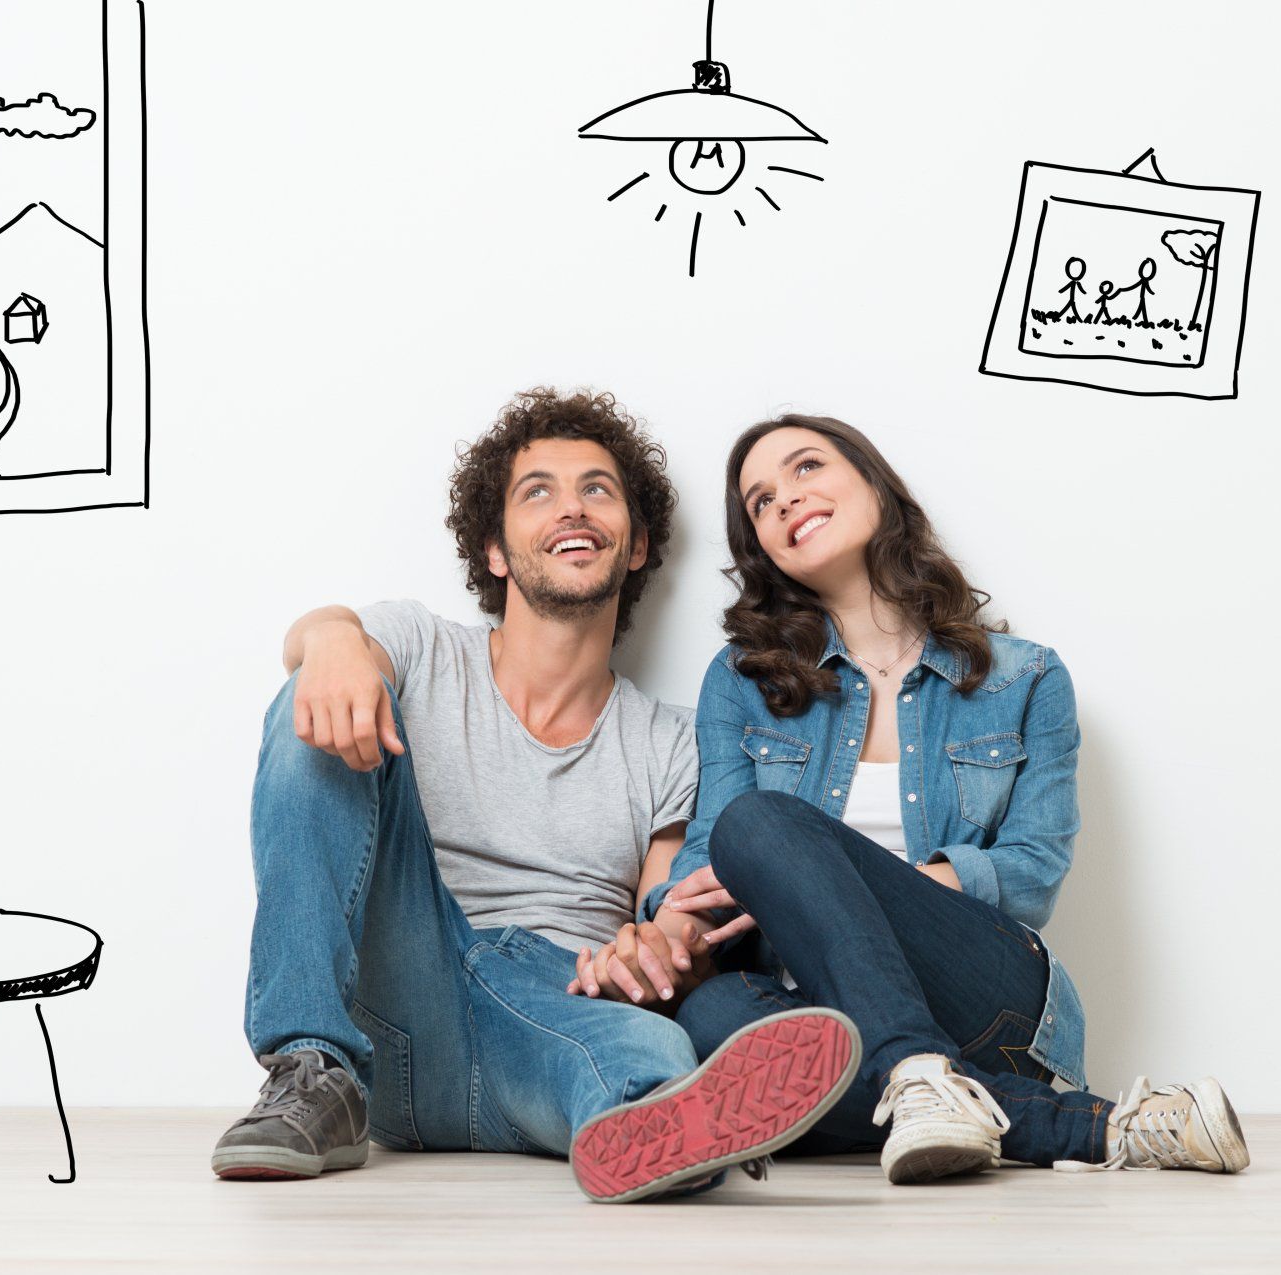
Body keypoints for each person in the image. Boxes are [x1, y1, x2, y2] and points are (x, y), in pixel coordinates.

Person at [213, 389, 860, 1203]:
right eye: (538, 491)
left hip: (556, 1022)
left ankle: (656, 1122)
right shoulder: (422, 647)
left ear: (635, 547)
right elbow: (321, 647)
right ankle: (310, 1065)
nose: (572, 508)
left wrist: (661, 948)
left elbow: (665, 909)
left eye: (597, 488)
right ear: (494, 549)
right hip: (398, 1003)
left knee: (641, 1051)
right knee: (319, 702)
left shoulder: (671, 739)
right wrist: (332, 636)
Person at [568, 413, 1247, 1185]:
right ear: (761, 547)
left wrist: (841, 884)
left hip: (987, 992)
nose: (784, 500)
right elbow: (711, 859)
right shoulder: (744, 682)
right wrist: (667, 918)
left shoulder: (1026, 678)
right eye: (759, 501)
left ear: (876, 487)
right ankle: (1089, 1122)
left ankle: (921, 1063)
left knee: (765, 823)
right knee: (715, 1018)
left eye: (806, 468)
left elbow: (1031, 871)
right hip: (814, 1010)